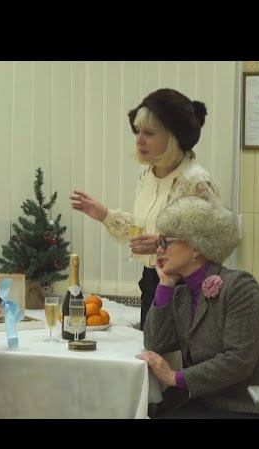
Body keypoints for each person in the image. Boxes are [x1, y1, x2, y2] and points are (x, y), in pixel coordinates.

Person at [70, 88, 220, 330]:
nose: (139, 139)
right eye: (138, 131)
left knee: (176, 354)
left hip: (188, 290)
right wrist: (104, 215)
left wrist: (163, 244)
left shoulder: (196, 181)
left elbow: (213, 241)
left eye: (149, 133)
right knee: (150, 350)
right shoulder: (147, 174)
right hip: (151, 282)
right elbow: (142, 231)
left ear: (173, 137)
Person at [136, 196, 259, 418]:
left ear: (196, 247)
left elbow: (239, 360)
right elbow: (155, 343)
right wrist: (165, 283)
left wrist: (175, 377)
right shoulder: (182, 293)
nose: (159, 249)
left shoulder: (240, 287)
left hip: (247, 408)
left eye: (166, 241)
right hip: (205, 403)